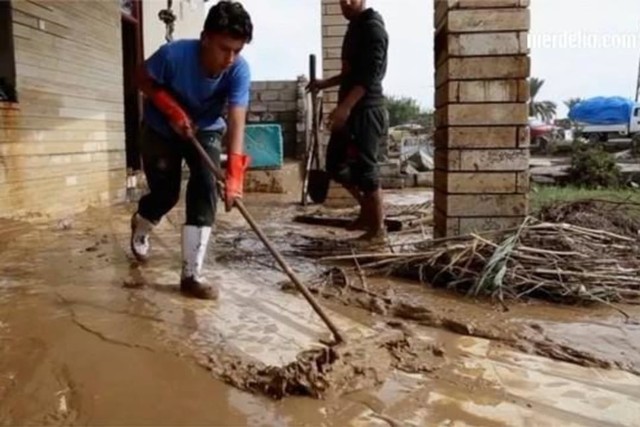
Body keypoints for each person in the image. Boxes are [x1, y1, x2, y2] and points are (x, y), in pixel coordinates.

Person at [130, 1, 253, 300]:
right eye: (225, 48)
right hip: (160, 128)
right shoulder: (173, 55)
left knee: (205, 184)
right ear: (205, 38)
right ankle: (142, 222)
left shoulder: (238, 70)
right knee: (166, 194)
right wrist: (172, 110)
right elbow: (140, 78)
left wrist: (234, 176)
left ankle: (191, 275)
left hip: (206, 128)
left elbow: (237, 119)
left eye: (237, 50)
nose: (230, 58)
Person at [308, 0, 389, 242]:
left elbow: (369, 77)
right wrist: (324, 84)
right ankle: (367, 211)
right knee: (334, 163)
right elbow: (349, 74)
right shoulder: (354, 26)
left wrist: (344, 107)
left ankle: (378, 230)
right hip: (352, 108)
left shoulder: (374, 29)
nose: (345, 3)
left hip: (366, 109)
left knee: (366, 170)